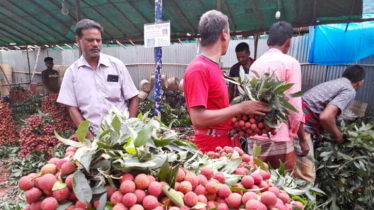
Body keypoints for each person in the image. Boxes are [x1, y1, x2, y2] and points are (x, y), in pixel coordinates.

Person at [183, 10, 269, 153]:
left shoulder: (213, 67)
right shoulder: (199, 68)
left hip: (224, 146)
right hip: (211, 150)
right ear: (224, 34)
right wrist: (240, 108)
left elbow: (218, 109)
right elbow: (198, 119)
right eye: (229, 34)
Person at [57, 19, 139, 138]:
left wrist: (130, 127)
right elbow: (72, 108)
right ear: (78, 41)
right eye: (89, 40)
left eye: (98, 40)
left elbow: (133, 97)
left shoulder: (116, 65)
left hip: (123, 133)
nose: (95, 44)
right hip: (94, 134)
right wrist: (90, 139)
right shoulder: (72, 72)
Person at [247, 21, 309, 171]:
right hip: (278, 134)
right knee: (282, 185)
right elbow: (294, 105)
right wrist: (299, 137)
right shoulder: (290, 63)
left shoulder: (255, 64)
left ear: (268, 42)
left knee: (256, 183)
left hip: (255, 132)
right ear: (289, 42)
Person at [295, 65, 366, 181]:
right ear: (360, 83)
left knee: (291, 168)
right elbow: (326, 117)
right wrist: (338, 136)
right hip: (301, 127)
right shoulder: (349, 90)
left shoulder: (334, 83)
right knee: (306, 177)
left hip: (292, 121)